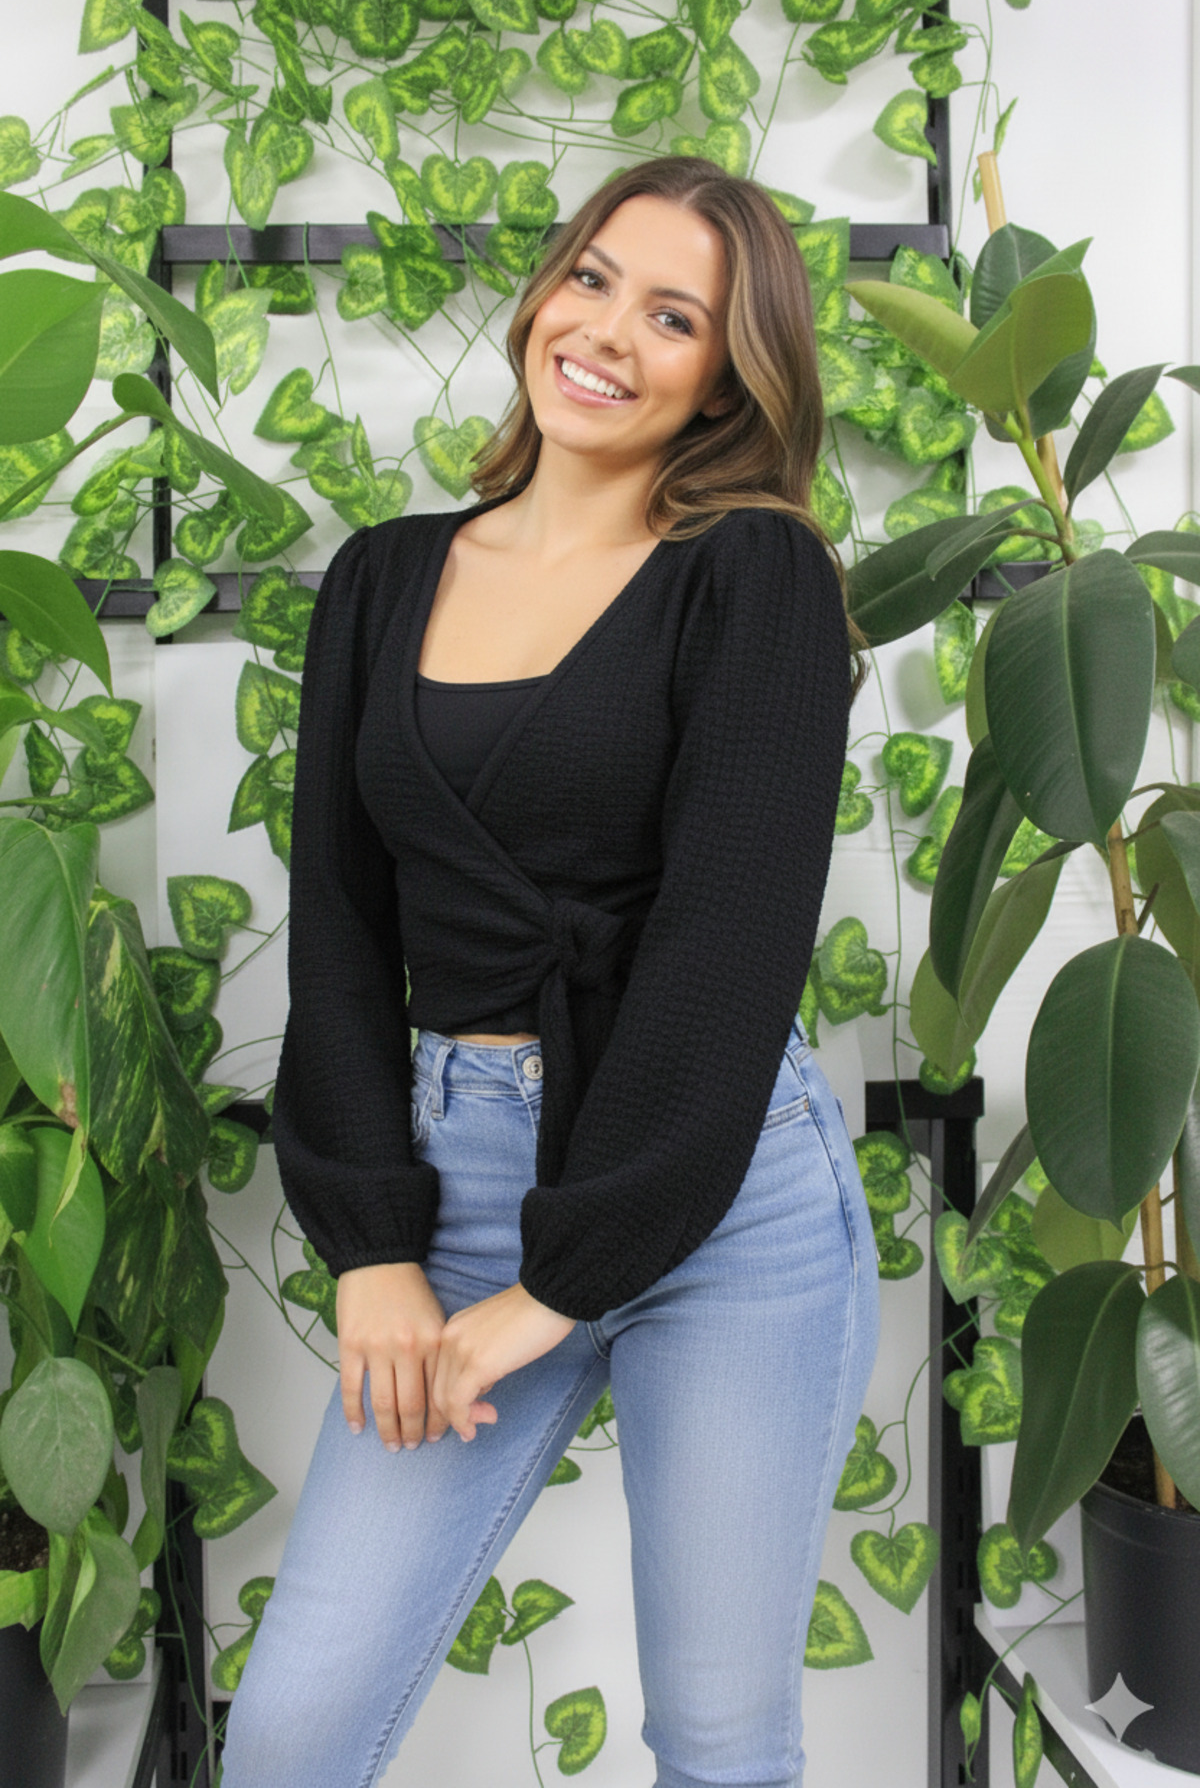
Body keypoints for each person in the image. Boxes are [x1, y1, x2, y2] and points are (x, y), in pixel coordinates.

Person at [218, 154, 880, 1788]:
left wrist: (564, 1286)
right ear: (543, 290)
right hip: (460, 1181)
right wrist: (373, 1245)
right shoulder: (382, 578)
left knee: (718, 1740)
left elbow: (727, 954)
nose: (605, 333)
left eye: (675, 317)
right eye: (592, 278)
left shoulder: (757, 574)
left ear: (727, 378)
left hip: (724, 1202)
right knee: (291, 1732)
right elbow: (340, 937)